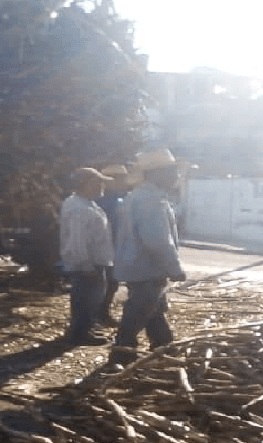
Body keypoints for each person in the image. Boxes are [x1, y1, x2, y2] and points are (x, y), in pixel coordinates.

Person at [111, 148, 187, 364]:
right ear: (155, 173)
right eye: (170, 171)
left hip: (138, 267)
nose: (175, 176)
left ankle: (164, 348)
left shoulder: (138, 197)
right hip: (147, 268)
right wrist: (175, 268)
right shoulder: (151, 201)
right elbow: (158, 241)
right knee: (138, 312)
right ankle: (121, 355)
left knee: (153, 311)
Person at [59, 167, 115, 346]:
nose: (102, 185)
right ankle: (80, 333)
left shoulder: (86, 203)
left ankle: (83, 330)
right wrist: (85, 265)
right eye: (99, 182)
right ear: (87, 184)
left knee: (91, 298)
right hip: (87, 264)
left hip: (93, 262)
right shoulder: (79, 208)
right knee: (86, 299)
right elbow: (77, 240)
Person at [95, 165, 130, 326]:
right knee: (106, 284)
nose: (124, 183)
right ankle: (99, 314)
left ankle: (101, 313)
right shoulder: (107, 202)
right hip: (107, 250)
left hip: (112, 249)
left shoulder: (117, 200)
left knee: (110, 284)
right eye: (120, 179)